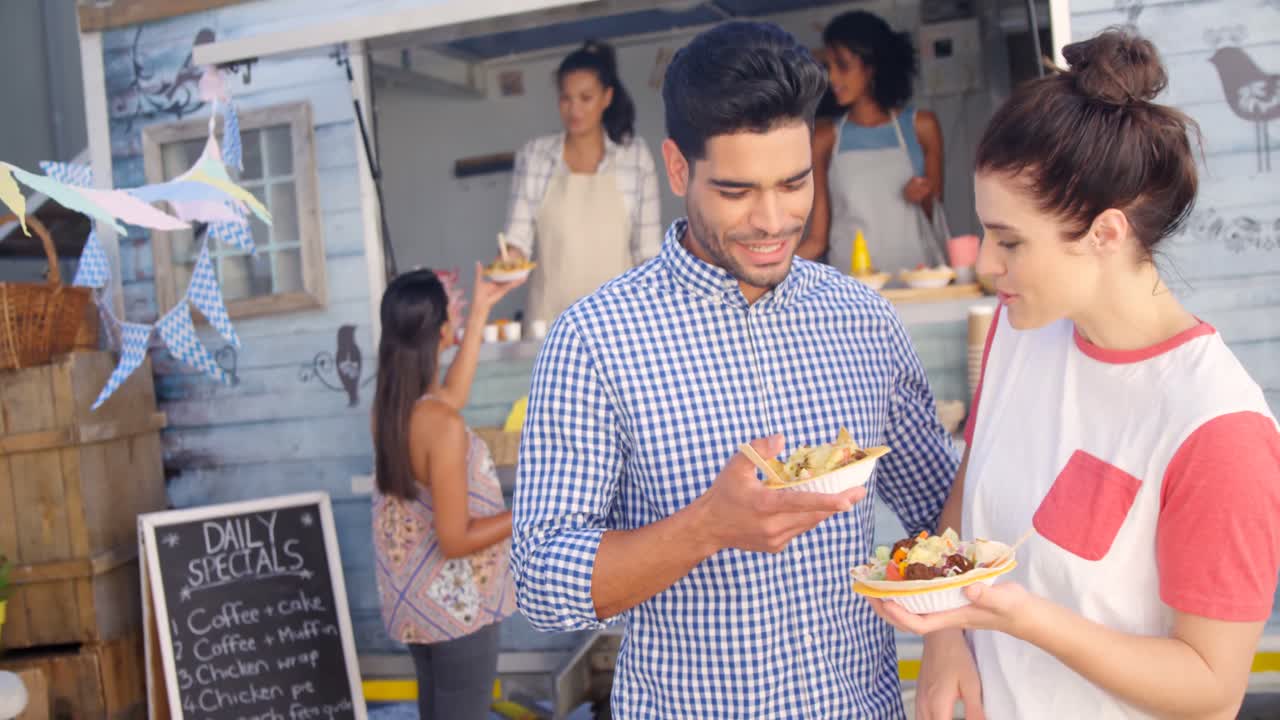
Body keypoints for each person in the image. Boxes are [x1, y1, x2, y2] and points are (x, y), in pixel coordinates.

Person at [510, 21, 958, 719]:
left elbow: (941, 508)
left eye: (794, 182)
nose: (773, 220)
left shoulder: (863, 320)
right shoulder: (595, 341)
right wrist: (708, 527)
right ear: (679, 168)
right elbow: (542, 581)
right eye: (737, 190)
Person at [868, 30, 1280, 720]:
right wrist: (946, 636)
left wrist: (1020, 617)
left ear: (1107, 234)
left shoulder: (1216, 427)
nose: (987, 266)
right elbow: (972, 493)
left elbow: (1211, 689)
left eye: (1010, 242)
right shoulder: (1021, 330)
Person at [370, 266, 525, 719]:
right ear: (441, 331)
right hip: (458, 609)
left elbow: (450, 397)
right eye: (452, 312)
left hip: (417, 607)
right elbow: (455, 540)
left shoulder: (390, 407)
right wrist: (532, 507)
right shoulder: (440, 424)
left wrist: (478, 311)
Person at [502, 40, 661, 329]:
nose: (574, 109)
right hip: (548, 323)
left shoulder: (635, 157)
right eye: (566, 98)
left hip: (618, 322)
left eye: (585, 98)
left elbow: (647, 254)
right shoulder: (535, 156)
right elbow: (517, 239)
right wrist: (507, 264)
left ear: (607, 97)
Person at [801, 11, 948, 275]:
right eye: (828, 66)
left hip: (917, 285)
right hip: (853, 293)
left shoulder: (921, 126)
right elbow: (817, 240)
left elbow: (934, 217)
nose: (832, 77)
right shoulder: (825, 139)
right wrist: (755, 274)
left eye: (842, 65)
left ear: (872, 67)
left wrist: (921, 196)